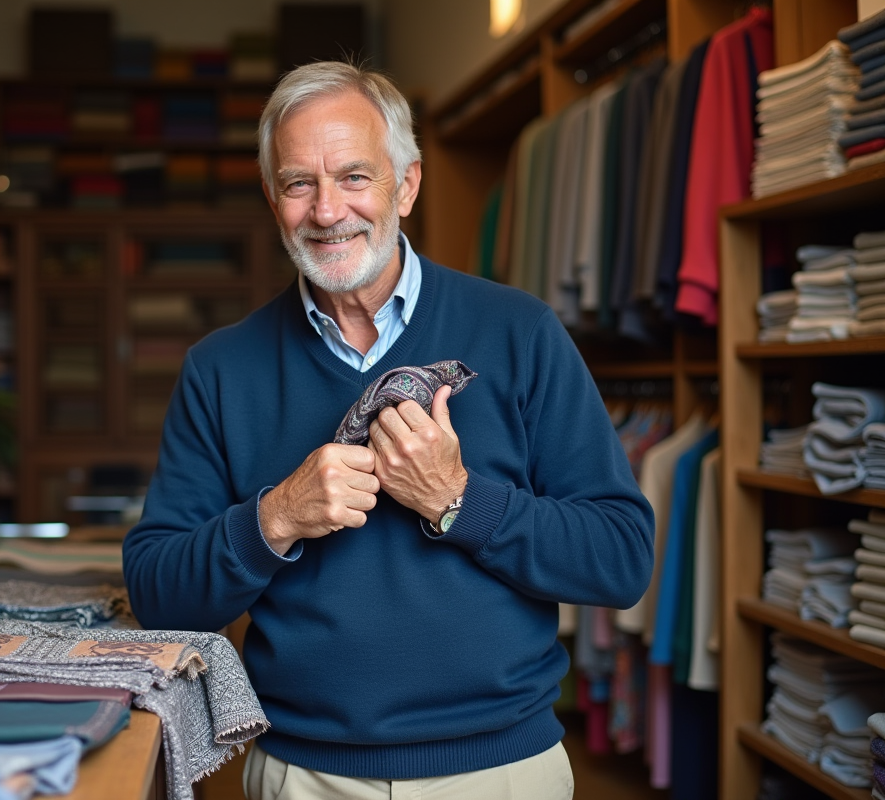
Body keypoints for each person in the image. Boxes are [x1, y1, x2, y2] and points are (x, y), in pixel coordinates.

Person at [123, 61, 655, 800]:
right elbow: (157, 595)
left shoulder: (520, 332)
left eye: (353, 177)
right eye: (298, 184)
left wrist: (460, 499)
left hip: (503, 773)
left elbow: (621, 559)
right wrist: (274, 518)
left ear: (406, 185)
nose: (327, 210)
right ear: (273, 199)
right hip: (303, 776)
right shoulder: (219, 369)